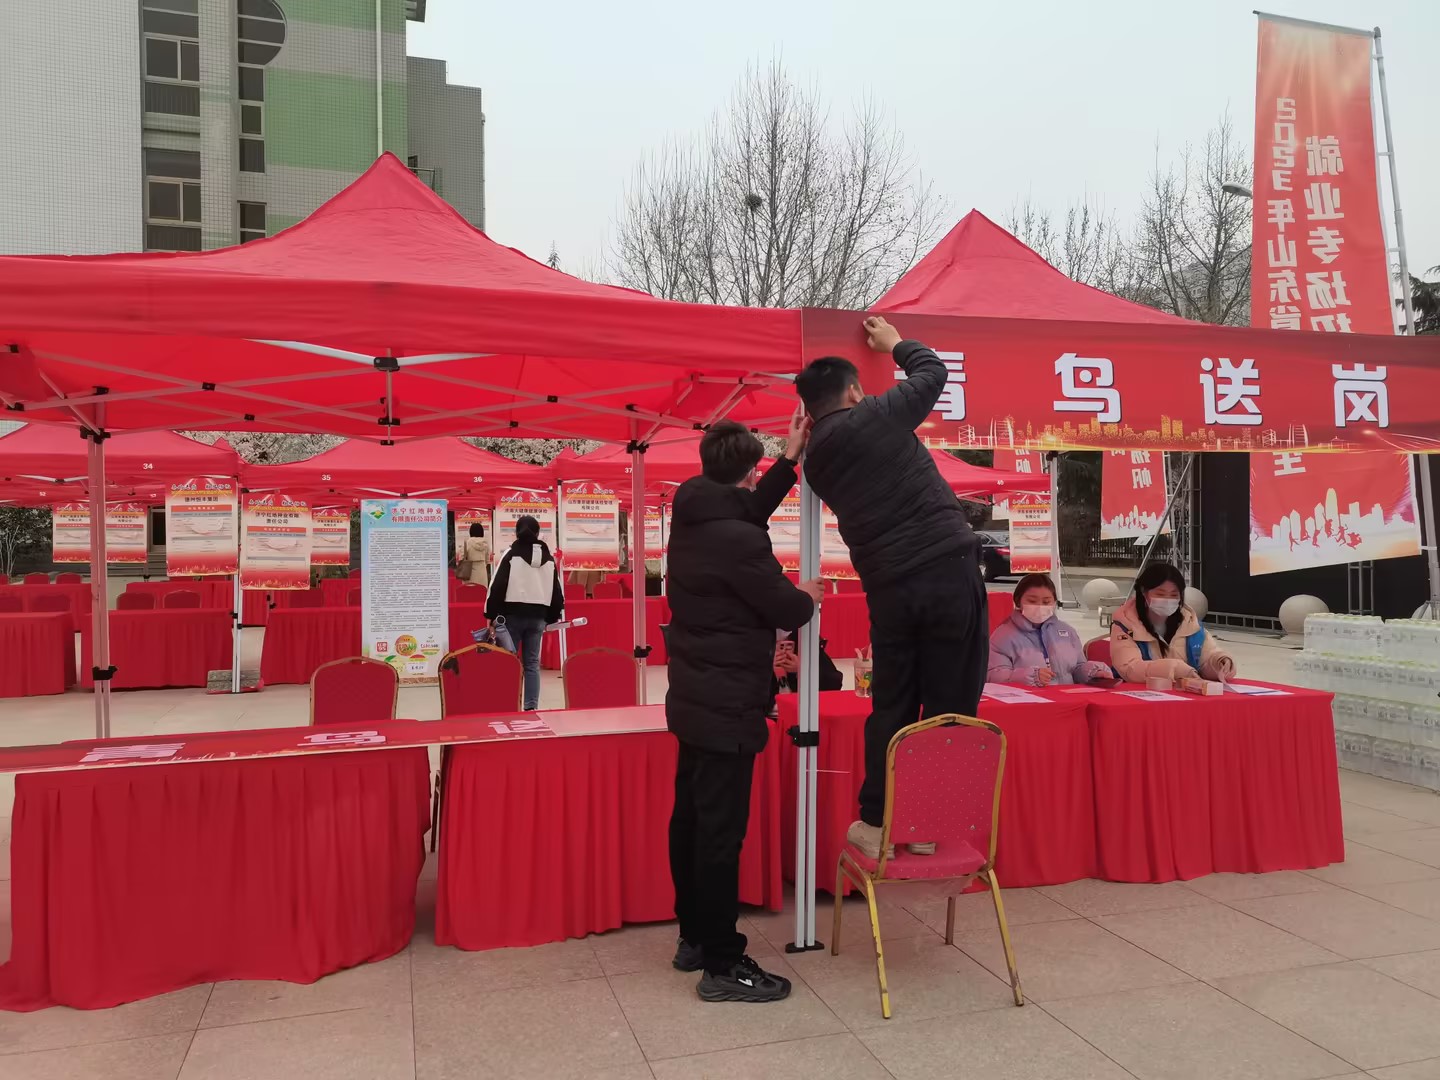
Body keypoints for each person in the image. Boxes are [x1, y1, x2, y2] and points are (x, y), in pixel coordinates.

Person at [795, 315, 988, 860]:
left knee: (892, 701)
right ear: (854, 392)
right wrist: (896, 344)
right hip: (947, 569)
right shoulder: (875, 415)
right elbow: (933, 373)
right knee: (950, 698)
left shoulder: (815, 463)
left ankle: (879, 820)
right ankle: (924, 822)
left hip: (888, 587)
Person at [666, 409, 824, 1004]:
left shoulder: (693, 509)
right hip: (728, 701)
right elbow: (785, 608)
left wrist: (789, 457)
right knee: (719, 835)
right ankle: (722, 962)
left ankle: (694, 937)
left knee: (691, 821)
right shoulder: (738, 538)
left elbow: (748, 511)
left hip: (693, 696)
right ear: (748, 472)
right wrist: (806, 595)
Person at [484, 515, 563, 709]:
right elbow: (556, 591)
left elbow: (497, 585)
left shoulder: (511, 554)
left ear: (516, 532)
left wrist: (490, 615)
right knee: (532, 664)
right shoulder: (548, 558)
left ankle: (508, 705)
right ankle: (531, 706)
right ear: (537, 533)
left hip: (512, 616)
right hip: (538, 618)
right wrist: (551, 617)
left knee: (509, 662)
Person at [1109, 562, 1236, 683]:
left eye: (1174, 595)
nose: (1167, 600)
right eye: (1160, 594)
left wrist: (1220, 663)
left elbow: (1207, 659)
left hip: (1185, 693)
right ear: (1143, 592)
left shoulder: (1190, 624)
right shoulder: (1125, 626)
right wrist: (1173, 669)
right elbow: (1130, 668)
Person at [988, 573, 1112, 686]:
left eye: (1046, 602)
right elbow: (993, 675)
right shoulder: (1003, 636)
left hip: (1067, 698)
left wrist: (1093, 673)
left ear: (1054, 603)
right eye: (1032, 601)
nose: (1039, 606)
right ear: (1018, 601)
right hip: (1028, 700)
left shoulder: (1067, 632)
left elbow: (1077, 668)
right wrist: (1030, 676)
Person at [769, 630, 843, 714]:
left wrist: (804, 671)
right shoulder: (758, 639)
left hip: (802, 713)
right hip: (764, 712)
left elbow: (834, 683)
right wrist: (764, 667)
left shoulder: (805, 639)